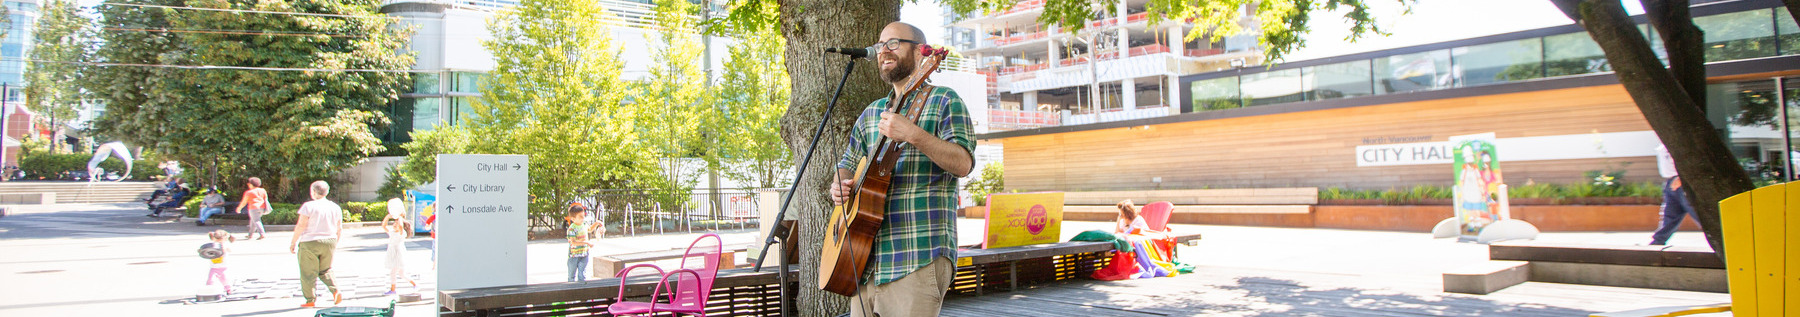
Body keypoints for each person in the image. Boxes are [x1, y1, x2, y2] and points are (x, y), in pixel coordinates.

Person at [827, 21, 976, 317]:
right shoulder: (871, 113)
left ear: (920, 52)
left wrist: (913, 134)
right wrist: (839, 186)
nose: (884, 50)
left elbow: (963, 163)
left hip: (917, 253)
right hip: (862, 258)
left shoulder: (945, 100)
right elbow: (846, 164)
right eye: (881, 45)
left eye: (894, 43)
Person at [289, 181, 343, 308]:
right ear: (326, 192)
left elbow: (301, 225)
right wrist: (335, 243)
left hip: (310, 242)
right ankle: (336, 291)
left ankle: (310, 300)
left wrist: (293, 242)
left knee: (308, 272)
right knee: (325, 269)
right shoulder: (335, 207)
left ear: (313, 192)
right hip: (330, 241)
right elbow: (339, 228)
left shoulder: (308, 206)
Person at [1651, 144, 1696, 245]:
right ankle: (1658, 241)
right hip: (1670, 182)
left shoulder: (1676, 141)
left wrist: (1681, 177)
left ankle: (1719, 237)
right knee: (1670, 214)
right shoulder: (1663, 143)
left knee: (1696, 212)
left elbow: (1689, 160)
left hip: (1681, 181)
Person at [381, 198, 417, 295]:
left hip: (399, 254)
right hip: (394, 253)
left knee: (393, 272)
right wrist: (388, 217)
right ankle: (414, 284)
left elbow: (401, 227)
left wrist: (400, 217)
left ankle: (393, 290)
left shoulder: (402, 233)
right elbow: (383, 226)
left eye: (396, 224)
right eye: (394, 223)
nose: (394, 225)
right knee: (401, 274)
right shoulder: (392, 232)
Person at [565, 203, 598, 282]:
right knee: (571, 275)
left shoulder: (584, 225)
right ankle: (571, 290)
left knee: (582, 275)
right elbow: (573, 242)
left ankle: (581, 290)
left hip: (584, 253)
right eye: (580, 217)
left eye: (583, 216)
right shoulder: (572, 229)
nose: (583, 218)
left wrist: (596, 224)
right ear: (573, 218)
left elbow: (589, 229)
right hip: (574, 255)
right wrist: (586, 242)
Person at [200, 229, 235, 294]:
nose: (219, 243)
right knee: (210, 280)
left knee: (224, 280)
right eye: (217, 241)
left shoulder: (225, 245)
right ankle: (209, 290)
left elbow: (229, 250)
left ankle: (228, 289)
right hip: (213, 267)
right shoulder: (212, 246)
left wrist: (224, 248)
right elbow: (205, 252)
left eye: (220, 241)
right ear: (213, 239)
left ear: (225, 239)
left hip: (223, 267)